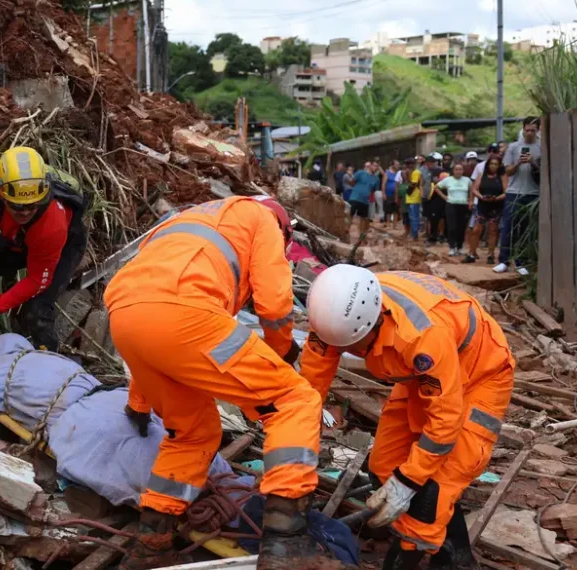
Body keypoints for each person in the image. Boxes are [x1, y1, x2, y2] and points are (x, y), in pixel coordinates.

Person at [104, 196, 331, 570]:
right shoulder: (263, 219)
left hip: (124, 315)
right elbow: (274, 307)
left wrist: (139, 404)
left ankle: (151, 542)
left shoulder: (185, 221)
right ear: (284, 228)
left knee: (192, 433)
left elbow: (150, 315)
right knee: (294, 401)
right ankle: (285, 540)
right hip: (188, 313)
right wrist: (282, 357)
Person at [302, 266, 513, 570]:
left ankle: (419, 553)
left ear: (373, 325)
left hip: (480, 371)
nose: (343, 352)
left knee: (434, 490)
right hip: (421, 377)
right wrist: (298, 453)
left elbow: (445, 421)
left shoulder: (422, 337)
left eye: (351, 348)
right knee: (384, 466)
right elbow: (311, 386)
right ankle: (454, 553)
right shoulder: (331, 320)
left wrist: (408, 482)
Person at [0, 147, 88, 350]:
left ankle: (46, 365)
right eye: (17, 206)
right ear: (2, 195)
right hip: (16, 240)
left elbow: (38, 279)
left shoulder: (52, 224)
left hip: (61, 246)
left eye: (33, 205)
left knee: (37, 313)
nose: (25, 212)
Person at [495, 117, 541, 275]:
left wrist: (533, 162)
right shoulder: (514, 147)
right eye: (527, 130)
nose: (529, 133)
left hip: (533, 193)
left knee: (526, 229)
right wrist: (519, 163)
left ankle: (522, 262)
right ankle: (503, 261)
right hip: (514, 192)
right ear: (523, 129)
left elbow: (546, 171)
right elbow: (507, 171)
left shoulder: (543, 146)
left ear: (538, 130)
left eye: (532, 130)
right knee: (508, 226)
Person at [465, 156, 507, 264]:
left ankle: (490, 254)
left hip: (496, 206)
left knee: (493, 230)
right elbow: (474, 189)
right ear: (488, 165)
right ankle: (472, 253)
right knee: (476, 230)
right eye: (491, 164)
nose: (493, 166)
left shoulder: (502, 176)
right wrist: (481, 196)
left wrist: (496, 198)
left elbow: (506, 192)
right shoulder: (482, 175)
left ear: (499, 166)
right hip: (482, 205)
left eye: (495, 164)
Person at [437, 163, 472, 256]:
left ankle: (460, 247)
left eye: (460, 169)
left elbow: (472, 189)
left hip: (463, 205)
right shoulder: (448, 180)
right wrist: (444, 197)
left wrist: (470, 199)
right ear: (453, 171)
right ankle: (452, 247)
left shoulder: (467, 180)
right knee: (452, 227)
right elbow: (436, 187)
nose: (458, 171)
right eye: (456, 169)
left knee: (462, 227)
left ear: (463, 171)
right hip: (451, 204)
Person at [422, 153, 446, 245]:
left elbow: (445, 183)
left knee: (438, 217)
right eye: (427, 164)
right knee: (429, 217)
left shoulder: (441, 171)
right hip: (428, 197)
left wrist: (439, 181)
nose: (429, 165)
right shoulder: (425, 172)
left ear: (435, 163)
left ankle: (437, 236)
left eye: (430, 164)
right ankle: (431, 235)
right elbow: (423, 183)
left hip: (438, 197)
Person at [350, 162, 379, 235]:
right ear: (370, 166)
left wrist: (367, 192)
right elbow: (352, 182)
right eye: (374, 166)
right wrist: (358, 189)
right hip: (354, 197)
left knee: (363, 218)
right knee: (349, 215)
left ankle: (361, 234)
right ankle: (345, 230)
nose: (375, 168)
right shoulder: (360, 173)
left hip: (365, 201)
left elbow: (374, 189)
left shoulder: (376, 179)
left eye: (377, 167)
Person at [405, 159, 424, 241]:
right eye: (408, 164)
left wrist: (407, 177)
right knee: (412, 217)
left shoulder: (416, 172)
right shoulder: (412, 172)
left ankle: (414, 235)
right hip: (410, 198)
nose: (409, 165)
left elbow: (413, 185)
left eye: (411, 164)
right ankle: (413, 234)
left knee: (414, 217)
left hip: (414, 197)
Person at [383, 159, 400, 224]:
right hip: (389, 194)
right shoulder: (387, 173)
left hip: (396, 194)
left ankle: (394, 225)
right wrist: (384, 193)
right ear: (392, 165)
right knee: (388, 210)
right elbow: (383, 184)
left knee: (395, 210)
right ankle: (388, 224)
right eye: (396, 164)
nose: (398, 166)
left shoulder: (399, 173)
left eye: (398, 165)